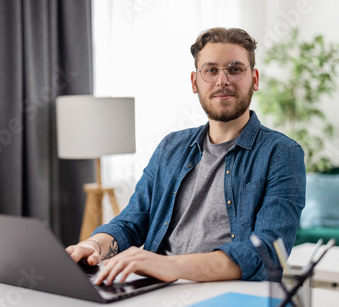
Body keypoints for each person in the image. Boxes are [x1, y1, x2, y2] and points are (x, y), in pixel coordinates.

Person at [65, 27, 306, 286]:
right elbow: (133, 220)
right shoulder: (171, 146)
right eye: (211, 70)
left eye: (235, 69)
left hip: (226, 294)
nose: (222, 80)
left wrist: (171, 266)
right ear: (195, 82)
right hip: (156, 289)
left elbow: (267, 253)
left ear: (255, 79)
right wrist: (94, 246)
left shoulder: (282, 154)